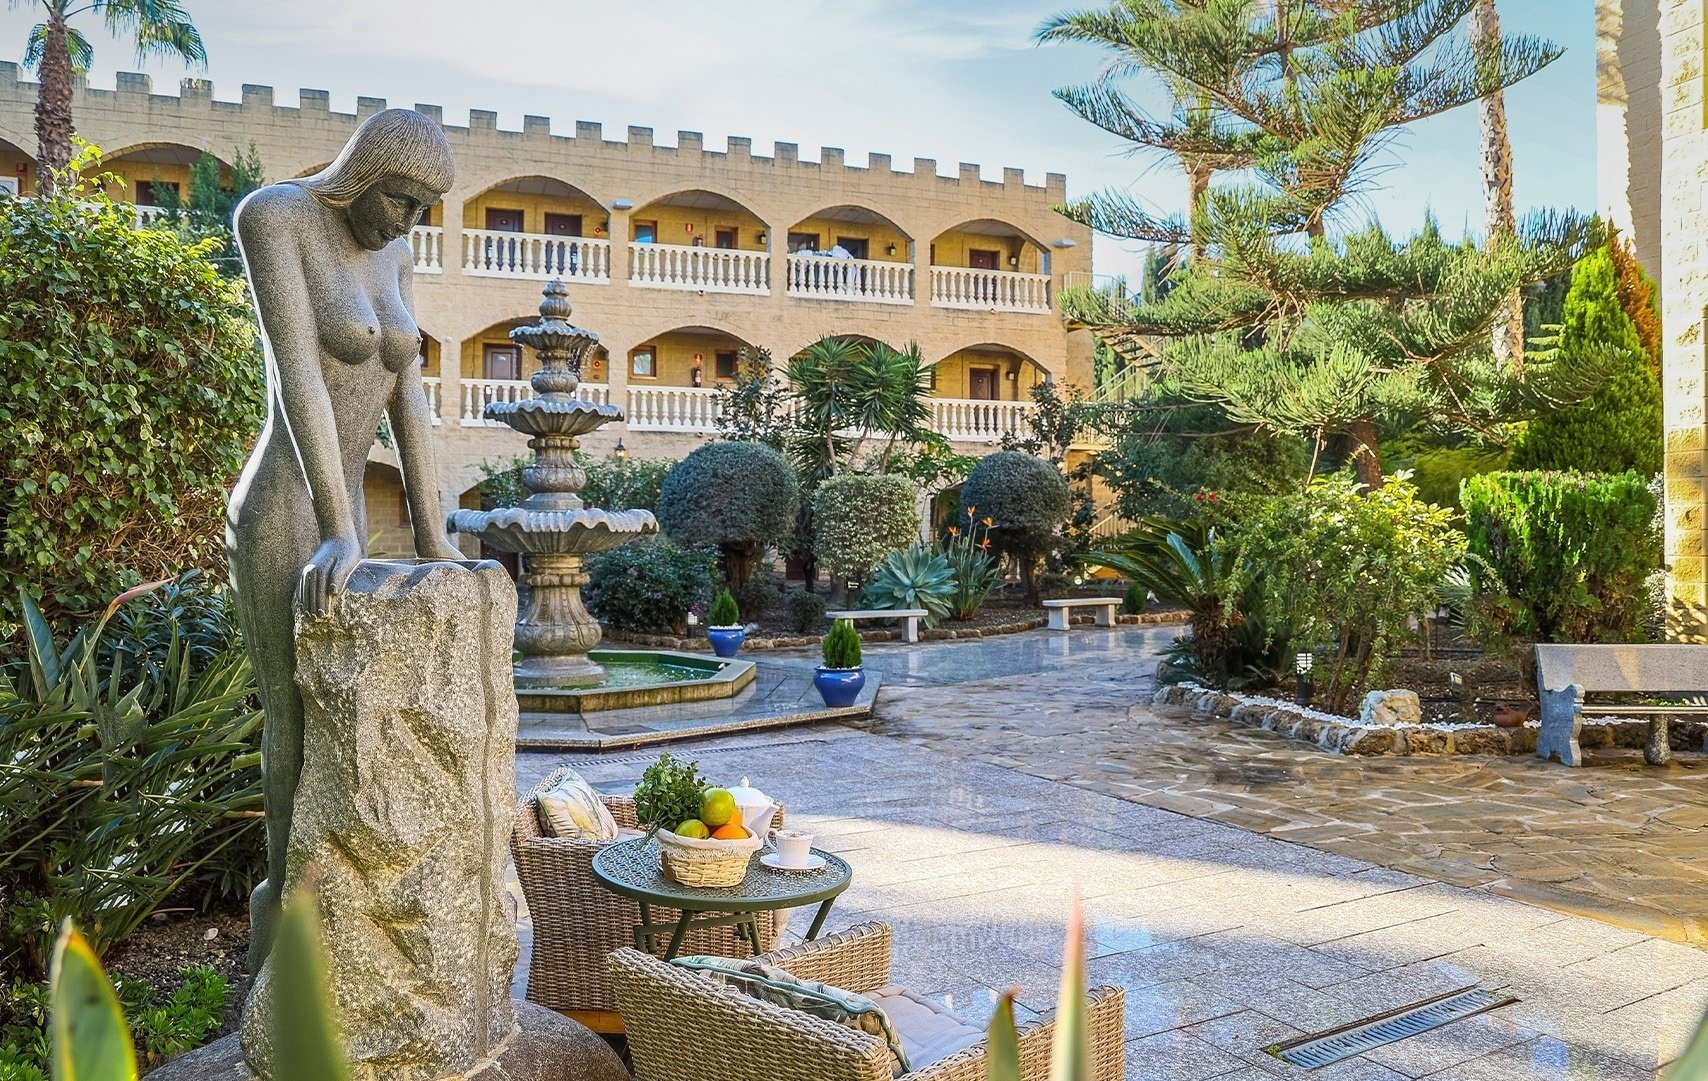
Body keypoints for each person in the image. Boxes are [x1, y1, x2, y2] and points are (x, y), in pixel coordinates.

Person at [226, 108, 461, 967]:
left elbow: (410, 400)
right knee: (292, 720)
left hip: (345, 525)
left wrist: (435, 535)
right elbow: (300, 381)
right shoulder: (275, 216)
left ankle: (340, 926)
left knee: (346, 725)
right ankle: (282, 939)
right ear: (363, 175)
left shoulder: (396, 255)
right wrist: (335, 526)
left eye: (423, 208)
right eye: (400, 200)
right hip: (288, 506)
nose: (409, 223)